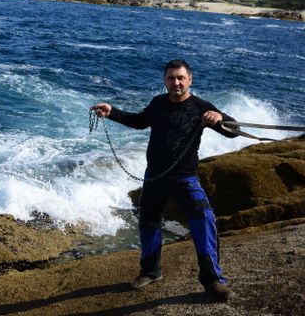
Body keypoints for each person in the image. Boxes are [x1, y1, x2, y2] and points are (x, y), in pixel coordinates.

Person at [90, 59, 238, 301]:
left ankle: (212, 280)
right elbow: (139, 121)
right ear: (165, 81)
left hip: (185, 178)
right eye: (171, 78)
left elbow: (232, 130)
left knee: (204, 218)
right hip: (155, 177)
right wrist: (112, 112)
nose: (176, 82)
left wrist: (218, 116)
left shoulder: (201, 107)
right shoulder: (158, 103)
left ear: (190, 79)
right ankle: (151, 271)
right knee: (148, 222)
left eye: (180, 78)